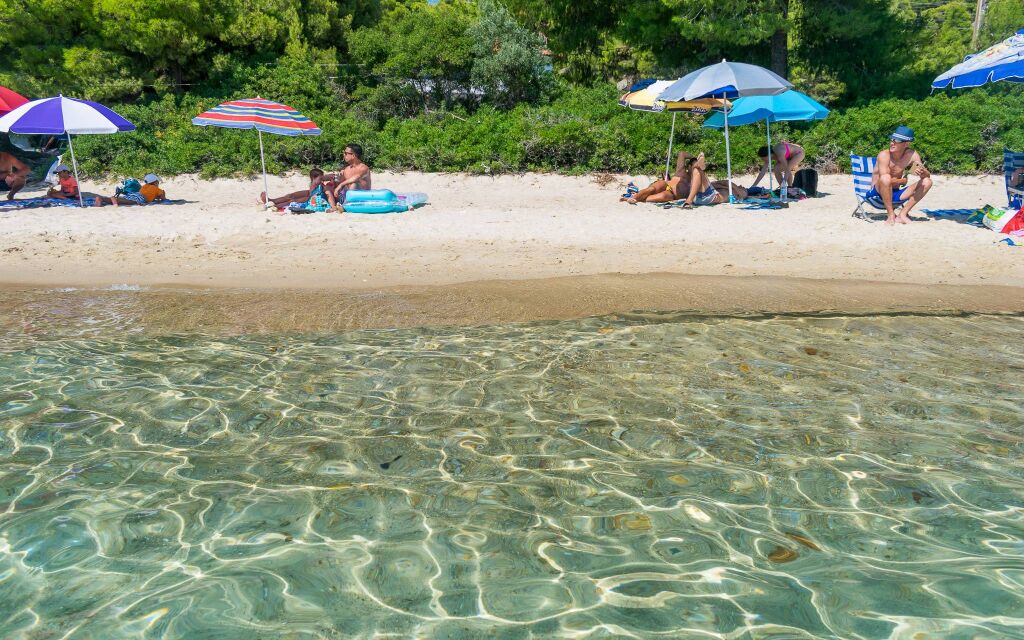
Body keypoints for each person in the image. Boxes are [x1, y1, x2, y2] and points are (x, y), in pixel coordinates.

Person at [867, 125, 932, 225]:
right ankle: (891, 215)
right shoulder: (884, 155)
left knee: (927, 182)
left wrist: (924, 172)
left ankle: (902, 214)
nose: (892, 142)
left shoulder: (911, 155)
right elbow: (884, 180)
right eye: (892, 139)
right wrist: (902, 181)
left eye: (896, 140)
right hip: (878, 193)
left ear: (906, 144)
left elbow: (925, 175)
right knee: (885, 178)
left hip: (896, 194)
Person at [621, 151, 724, 207]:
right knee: (651, 190)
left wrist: (699, 165)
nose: (693, 168)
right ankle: (634, 197)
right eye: (692, 166)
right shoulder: (681, 172)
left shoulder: (697, 179)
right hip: (667, 185)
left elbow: (706, 184)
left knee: (661, 197)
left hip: (672, 195)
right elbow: (682, 153)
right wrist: (694, 158)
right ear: (688, 166)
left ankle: (634, 199)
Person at [328, 144, 372, 211]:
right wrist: (336, 180)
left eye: (346, 153)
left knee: (354, 184)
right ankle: (333, 206)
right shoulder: (346, 169)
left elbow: (355, 178)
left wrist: (340, 185)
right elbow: (341, 185)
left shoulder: (363, 168)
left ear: (353, 155)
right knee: (328, 186)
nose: (344, 155)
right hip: (347, 196)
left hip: (361, 196)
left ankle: (344, 206)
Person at [260, 168, 325, 209]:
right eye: (320, 178)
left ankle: (275, 206)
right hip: (309, 193)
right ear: (313, 178)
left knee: (292, 201)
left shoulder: (321, 185)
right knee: (290, 196)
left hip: (311, 198)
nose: (322, 180)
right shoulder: (313, 183)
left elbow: (328, 177)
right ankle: (271, 200)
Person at [95, 173, 167, 207]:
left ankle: (102, 199)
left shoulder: (145, 186)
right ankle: (115, 199)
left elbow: (150, 194)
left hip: (135, 194)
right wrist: (163, 193)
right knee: (128, 202)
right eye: (158, 182)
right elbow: (162, 198)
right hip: (140, 197)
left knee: (126, 199)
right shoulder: (157, 189)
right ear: (155, 182)